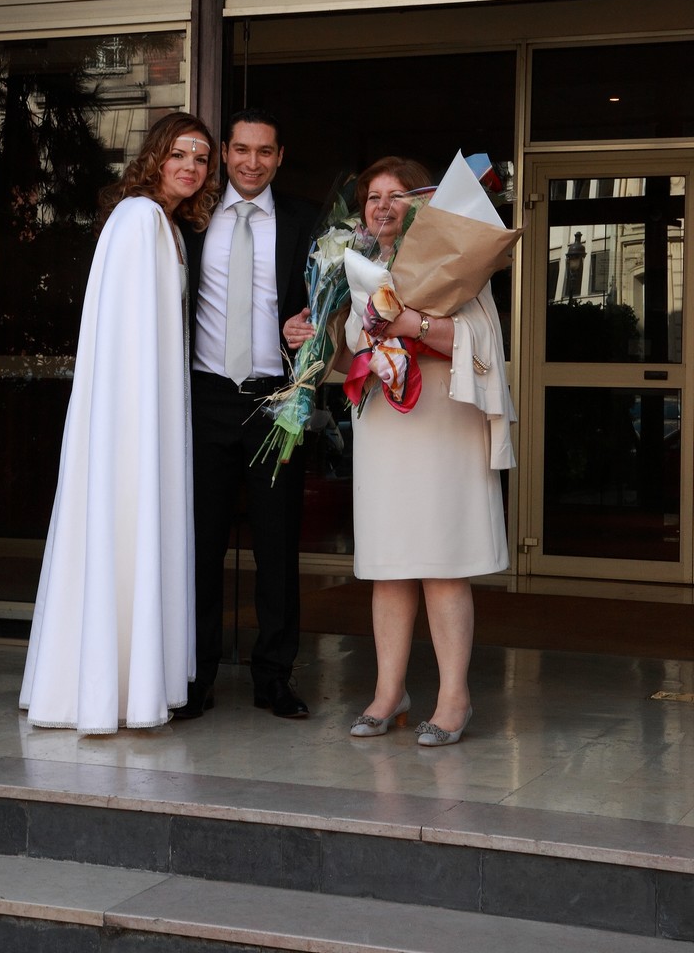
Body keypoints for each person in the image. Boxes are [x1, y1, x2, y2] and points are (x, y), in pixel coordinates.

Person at [19, 112, 219, 734]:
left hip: (149, 408)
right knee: (127, 521)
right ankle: (113, 690)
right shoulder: (139, 219)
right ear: (156, 156)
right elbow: (129, 337)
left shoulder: (162, 223)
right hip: (132, 414)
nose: (191, 167)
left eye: (201, 159)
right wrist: (142, 419)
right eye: (179, 154)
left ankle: (136, 683)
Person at [344, 156, 514, 746]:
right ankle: (388, 693)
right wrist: (312, 335)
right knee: (388, 566)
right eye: (373, 197)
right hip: (384, 426)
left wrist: (410, 322)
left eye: (396, 195)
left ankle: (453, 700)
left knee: (443, 564)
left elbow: (479, 341)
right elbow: (347, 352)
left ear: (422, 203)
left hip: (443, 422)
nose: (383, 206)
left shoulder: (455, 259)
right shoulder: (353, 265)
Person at [173, 107, 318, 720]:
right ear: (224, 155)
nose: (251, 162)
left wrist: (309, 329)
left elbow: (331, 309)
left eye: (264, 151)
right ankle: (194, 676)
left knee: (277, 548)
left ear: (279, 157)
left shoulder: (308, 221)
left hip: (276, 402)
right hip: (203, 398)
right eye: (240, 150)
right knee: (199, 547)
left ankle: (274, 677)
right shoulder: (190, 218)